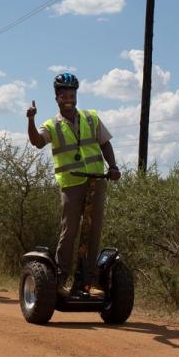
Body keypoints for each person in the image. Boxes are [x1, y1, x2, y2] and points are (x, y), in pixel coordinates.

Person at [26, 73, 121, 297]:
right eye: (64, 94)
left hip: (96, 181)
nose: (69, 98)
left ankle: (89, 282)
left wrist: (113, 167)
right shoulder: (52, 125)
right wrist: (30, 120)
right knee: (70, 231)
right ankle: (60, 280)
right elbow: (38, 142)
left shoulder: (91, 118)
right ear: (57, 97)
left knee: (94, 230)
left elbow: (105, 144)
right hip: (71, 184)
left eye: (72, 94)